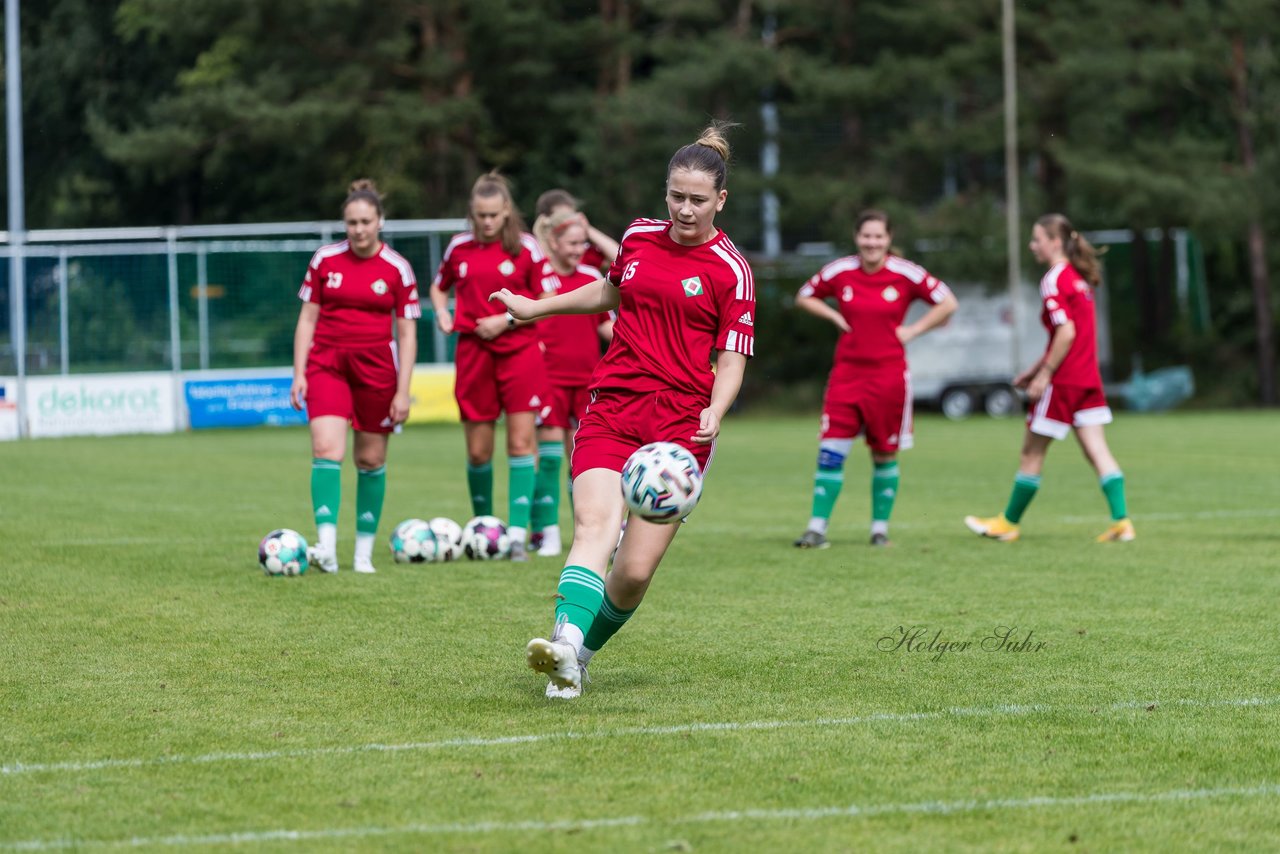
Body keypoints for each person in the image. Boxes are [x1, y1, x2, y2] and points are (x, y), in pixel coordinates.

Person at [489, 123, 755, 698]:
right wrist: (536, 308)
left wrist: (718, 408)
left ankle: (577, 657)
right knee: (593, 526)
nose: (684, 210)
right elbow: (609, 293)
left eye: (698, 200)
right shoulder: (637, 237)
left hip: (681, 429)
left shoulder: (732, 270)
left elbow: (731, 359)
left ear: (721, 200)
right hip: (613, 405)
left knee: (633, 573)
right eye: (676, 196)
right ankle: (562, 642)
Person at [792, 210, 958, 549]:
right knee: (831, 451)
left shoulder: (904, 273)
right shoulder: (840, 271)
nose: (872, 242)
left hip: (889, 377)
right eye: (866, 236)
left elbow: (948, 302)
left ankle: (879, 530)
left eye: (878, 237)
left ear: (889, 239)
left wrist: (914, 329)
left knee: (884, 454)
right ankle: (816, 528)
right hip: (846, 376)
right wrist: (833, 314)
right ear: (857, 238)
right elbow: (804, 296)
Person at [964, 214, 1134, 543]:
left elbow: (1066, 333)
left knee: (1031, 452)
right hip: (1087, 378)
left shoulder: (1054, 279)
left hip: (1064, 381)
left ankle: (1007, 523)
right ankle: (1122, 522)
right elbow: (1072, 335)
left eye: (1037, 239)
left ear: (1055, 242)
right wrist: (1034, 368)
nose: (1032, 245)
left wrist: (1045, 373)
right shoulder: (1077, 278)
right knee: (1097, 450)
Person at [290, 179, 420, 574]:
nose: (358, 229)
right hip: (327, 365)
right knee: (326, 449)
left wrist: (403, 391)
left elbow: (407, 333)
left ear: (380, 221)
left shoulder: (397, 268)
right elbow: (307, 318)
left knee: (370, 458)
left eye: (365, 221)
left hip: (377, 371)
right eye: (351, 222)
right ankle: (326, 547)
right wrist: (299, 372)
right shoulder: (324, 261)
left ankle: (362, 553)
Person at [429, 172, 547, 561]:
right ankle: (484, 532)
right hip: (473, 353)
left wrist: (507, 320)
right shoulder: (458, 248)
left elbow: (546, 300)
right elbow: (438, 286)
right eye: (480, 215)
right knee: (479, 452)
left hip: (520, 351)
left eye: (493, 215)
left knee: (519, 443)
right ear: (471, 213)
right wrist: (444, 314)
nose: (486, 222)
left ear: (507, 211)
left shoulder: (527, 248)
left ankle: (515, 536)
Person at [528, 209, 615, 557]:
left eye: (583, 242)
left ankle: (587, 529)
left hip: (587, 380)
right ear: (553, 241)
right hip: (546, 379)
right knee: (548, 458)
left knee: (581, 461)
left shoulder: (592, 275)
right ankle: (546, 531)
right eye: (573, 242)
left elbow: (604, 326)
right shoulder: (539, 276)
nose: (580, 249)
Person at [534, 188, 620, 273]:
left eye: (571, 216)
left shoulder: (580, 252)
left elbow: (621, 259)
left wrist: (588, 229)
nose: (569, 221)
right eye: (562, 217)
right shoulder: (534, 255)